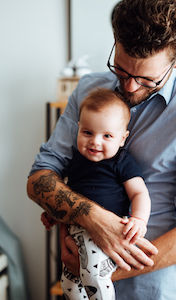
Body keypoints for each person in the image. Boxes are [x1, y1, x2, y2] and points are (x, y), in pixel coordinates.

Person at [27, 0, 176, 299]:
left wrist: (98, 271)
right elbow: (39, 179)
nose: (131, 87)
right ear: (115, 42)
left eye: (147, 79)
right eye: (121, 71)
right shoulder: (87, 92)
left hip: (152, 289)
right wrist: (92, 219)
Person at [41, 88, 151, 300]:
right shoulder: (74, 161)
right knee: (69, 285)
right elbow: (69, 195)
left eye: (107, 135)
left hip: (106, 234)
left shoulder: (121, 161)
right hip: (76, 231)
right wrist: (54, 213)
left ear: (122, 139)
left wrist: (139, 219)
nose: (95, 142)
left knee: (93, 275)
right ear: (78, 129)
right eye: (88, 133)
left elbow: (139, 193)